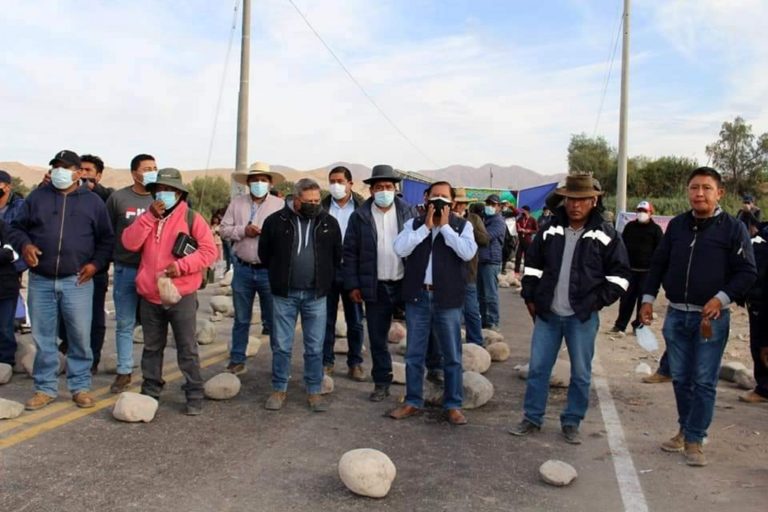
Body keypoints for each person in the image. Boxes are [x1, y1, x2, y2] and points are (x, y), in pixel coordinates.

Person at [639, 166, 756, 466]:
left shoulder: (733, 228)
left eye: (706, 188)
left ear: (720, 193)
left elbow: (747, 272)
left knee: (704, 380)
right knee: (680, 378)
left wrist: (721, 297)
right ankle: (685, 429)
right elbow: (658, 264)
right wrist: (648, 299)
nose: (699, 193)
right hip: (676, 316)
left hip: (712, 320)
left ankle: (695, 439)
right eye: (694, 188)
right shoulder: (677, 226)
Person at [510, 174, 630, 444]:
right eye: (571, 199)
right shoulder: (550, 229)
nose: (576, 205)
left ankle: (572, 421)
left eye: (582, 199)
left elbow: (620, 276)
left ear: (593, 200)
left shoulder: (607, 234)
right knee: (539, 369)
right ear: (564, 200)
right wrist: (531, 298)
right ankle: (532, 418)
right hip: (548, 316)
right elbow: (532, 267)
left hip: (582, 317)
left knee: (581, 373)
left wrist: (596, 302)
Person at [9, 150, 114, 410]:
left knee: (79, 335)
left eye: (65, 167)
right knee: (44, 337)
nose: (59, 171)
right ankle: (45, 388)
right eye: (56, 166)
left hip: (77, 280)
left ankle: (80, 387)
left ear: (78, 173)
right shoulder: (37, 197)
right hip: (41, 280)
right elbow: (15, 228)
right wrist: (25, 246)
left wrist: (95, 264)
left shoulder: (93, 202)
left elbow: (106, 239)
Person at [122, 168, 217, 415]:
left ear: (180, 194)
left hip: (181, 294)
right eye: (161, 189)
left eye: (171, 190)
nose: (165, 194)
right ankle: (151, 389)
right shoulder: (147, 217)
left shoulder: (192, 218)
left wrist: (182, 266)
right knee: (152, 347)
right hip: (150, 295)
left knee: (187, 347)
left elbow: (209, 252)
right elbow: (129, 243)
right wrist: (148, 218)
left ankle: (194, 393)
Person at [389, 181, 478, 425]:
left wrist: (446, 228)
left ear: (452, 202)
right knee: (414, 354)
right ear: (426, 199)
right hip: (418, 296)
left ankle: (453, 404)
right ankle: (412, 401)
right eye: (434, 197)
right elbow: (399, 248)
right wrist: (425, 228)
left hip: (447, 298)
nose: (439, 202)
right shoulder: (414, 223)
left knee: (451, 355)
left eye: (444, 198)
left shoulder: (462, 226)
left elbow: (467, 253)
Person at [258, 178, 342, 412]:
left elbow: (337, 257)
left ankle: (314, 391)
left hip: (316, 296)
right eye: (309, 201)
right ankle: (279, 388)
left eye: (317, 200)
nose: (315, 205)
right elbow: (264, 254)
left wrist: (324, 280)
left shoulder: (329, 223)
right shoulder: (275, 222)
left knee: (315, 347)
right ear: (296, 200)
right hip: (284, 294)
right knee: (281, 345)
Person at [343, 164, 415, 401]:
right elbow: (350, 252)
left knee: (417, 336)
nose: (384, 191)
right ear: (372, 190)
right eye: (379, 187)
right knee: (377, 338)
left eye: (388, 187)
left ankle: (416, 386)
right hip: (376, 285)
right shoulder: (359, 216)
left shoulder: (409, 213)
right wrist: (353, 285)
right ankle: (382, 382)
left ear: (395, 189)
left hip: (405, 283)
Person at [220, 162, 285, 375]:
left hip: (270, 270)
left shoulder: (279, 205)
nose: (259, 183)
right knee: (241, 318)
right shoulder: (237, 203)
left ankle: (279, 363)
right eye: (255, 180)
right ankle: (237, 358)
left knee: (274, 320)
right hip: (243, 269)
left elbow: (287, 234)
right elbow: (223, 230)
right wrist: (243, 231)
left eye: (263, 180)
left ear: (270, 182)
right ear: (248, 182)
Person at [104, 153, 158, 393]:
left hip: (153, 271)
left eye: (155, 167)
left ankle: (152, 374)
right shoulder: (118, 198)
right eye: (147, 168)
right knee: (124, 323)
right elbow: (106, 233)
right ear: (134, 172)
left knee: (152, 325)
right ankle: (124, 371)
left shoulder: (163, 197)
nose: (151, 171)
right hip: (126, 269)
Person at [58, 154, 112, 375]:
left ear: (98, 175)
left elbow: (109, 235)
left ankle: (92, 359)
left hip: (95, 268)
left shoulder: (107, 198)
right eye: (82, 170)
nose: (85, 174)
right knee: (65, 313)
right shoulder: (67, 196)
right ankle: (68, 346)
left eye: (90, 170)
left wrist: (98, 263)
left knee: (95, 316)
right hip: (69, 268)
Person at [321, 166, 366, 381]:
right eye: (332, 181)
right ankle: (326, 362)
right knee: (326, 320)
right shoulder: (322, 206)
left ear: (350, 183)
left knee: (355, 320)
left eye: (340, 181)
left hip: (352, 270)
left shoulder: (362, 208)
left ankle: (355, 362)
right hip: (327, 270)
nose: (335, 185)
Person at [611, 201, 663, 334]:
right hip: (630, 271)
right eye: (639, 211)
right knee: (626, 300)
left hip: (647, 272)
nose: (641, 214)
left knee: (643, 301)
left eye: (645, 211)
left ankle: (639, 326)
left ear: (651, 213)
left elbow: (660, 251)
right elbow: (622, 245)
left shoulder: (656, 230)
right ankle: (620, 325)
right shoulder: (630, 227)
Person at [452, 188, 489, 345]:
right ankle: (452, 344)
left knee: (472, 311)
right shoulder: (445, 219)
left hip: (468, 271)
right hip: (449, 272)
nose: (461, 206)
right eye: (458, 203)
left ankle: (476, 343)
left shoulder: (473, 219)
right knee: (452, 313)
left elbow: (485, 239)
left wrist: (468, 229)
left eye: (464, 203)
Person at [740, 217, 768, 404]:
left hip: (763, 299)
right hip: (758, 298)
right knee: (759, 345)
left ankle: (764, 389)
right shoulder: (762, 231)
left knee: (762, 345)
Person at [477, 194, 506, 331]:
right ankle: (485, 320)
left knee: (490, 294)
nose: (490, 207)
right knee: (481, 294)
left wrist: (474, 230)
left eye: (493, 204)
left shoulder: (498, 222)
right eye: (488, 204)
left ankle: (493, 321)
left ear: (499, 207)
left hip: (491, 261)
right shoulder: (484, 220)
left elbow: (485, 237)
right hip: (481, 260)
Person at [0, 218, 21, 371]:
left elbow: (11, 254)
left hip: (6, 286)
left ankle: (7, 362)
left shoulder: (3, 226)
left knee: (5, 327)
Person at [514, 205, 538, 276]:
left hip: (528, 241)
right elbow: (516, 227)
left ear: (527, 211)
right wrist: (519, 230)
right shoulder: (520, 219)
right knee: (518, 256)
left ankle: (526, 272)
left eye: (523, 210)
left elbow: (536, 230)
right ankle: (516, 272)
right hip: (521, 240)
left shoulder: (532, 219)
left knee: (527, 257)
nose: (522, 211)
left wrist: (528, 231)